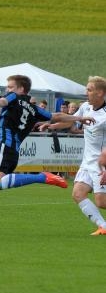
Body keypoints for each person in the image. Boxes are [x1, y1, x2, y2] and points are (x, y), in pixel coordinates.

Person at [0, 75, 95, 235]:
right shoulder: (34, 109)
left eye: (10, 87)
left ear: (21, 89)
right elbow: (56, 116)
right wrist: (79, 118)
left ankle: (41, 177)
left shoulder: (14, 97)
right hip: (7, 150)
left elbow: (2, 102)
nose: (8, 90)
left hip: (4, 147)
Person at [44, 76, 106, 235]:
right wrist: (52, 125)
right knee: (78, 194)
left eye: (90, 90)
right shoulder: (85, 107)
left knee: (101, 202)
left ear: (100, 93)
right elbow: (70, 122)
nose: (86, 93)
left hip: (102, 164)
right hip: (87, 163)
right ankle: (103, 227)